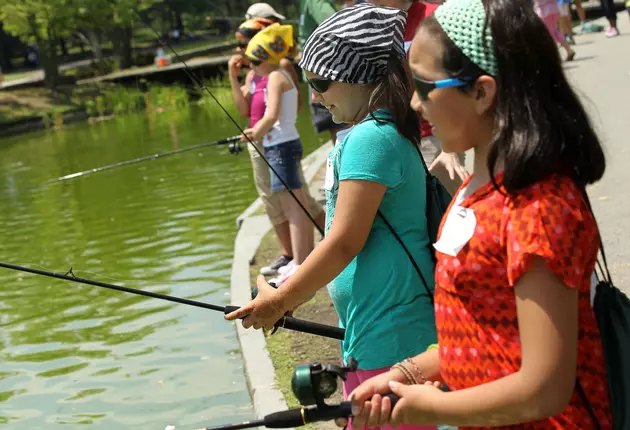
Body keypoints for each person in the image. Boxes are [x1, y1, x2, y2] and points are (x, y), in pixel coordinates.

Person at [344, 0, 613, 428]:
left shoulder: (537, 208)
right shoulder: (473, 186)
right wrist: (407, 374)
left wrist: (427, 407)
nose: (414, 102)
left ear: (482, 92)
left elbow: (545, 388)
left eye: (423, 85)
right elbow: (483, 328)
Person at [227, 6, 438, 430]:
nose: (317, 97)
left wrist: (283, 299)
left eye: (322, 83)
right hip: (379, 333)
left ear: (360, 76)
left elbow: (344, 241)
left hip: (393, 336)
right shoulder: (376, 131)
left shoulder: (369, 139)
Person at [229, 19, 325, 278]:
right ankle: (300, 260)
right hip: (279, 146)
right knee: (295, 204)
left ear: (264, 58)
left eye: (253, 61)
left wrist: (255, 133)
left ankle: (300, 262)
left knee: (294, 206)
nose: (251, 65)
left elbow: (271, 116)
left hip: (280, 147)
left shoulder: (274, 77)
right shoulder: (277, 75)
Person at [368, 0, 468, 196]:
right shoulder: (373, 24)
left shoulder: (436, 16)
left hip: (434, 137)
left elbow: (457, 81)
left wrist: (451, 147)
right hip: (393, 137)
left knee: (444, 212)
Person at [298, 0, 350, 144]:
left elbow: (336, 25)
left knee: (338, 123)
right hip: (319, 72)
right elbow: (337, 25)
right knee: (337, 122)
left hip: (321, 72)